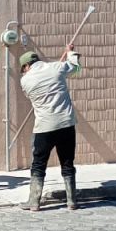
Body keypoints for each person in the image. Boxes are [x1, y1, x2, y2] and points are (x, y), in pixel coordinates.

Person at [19, 44, 82, 212]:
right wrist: (70, 52)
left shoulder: (25, 81)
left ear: (27, 66)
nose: (23, 72)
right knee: (67, 163)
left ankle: (34, 202)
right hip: (66, 124)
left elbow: (30, 93)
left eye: (23, 69)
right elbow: (76, 68)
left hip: (44, 127)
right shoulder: (56, 68)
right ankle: (72, 202)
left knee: (38, 164)